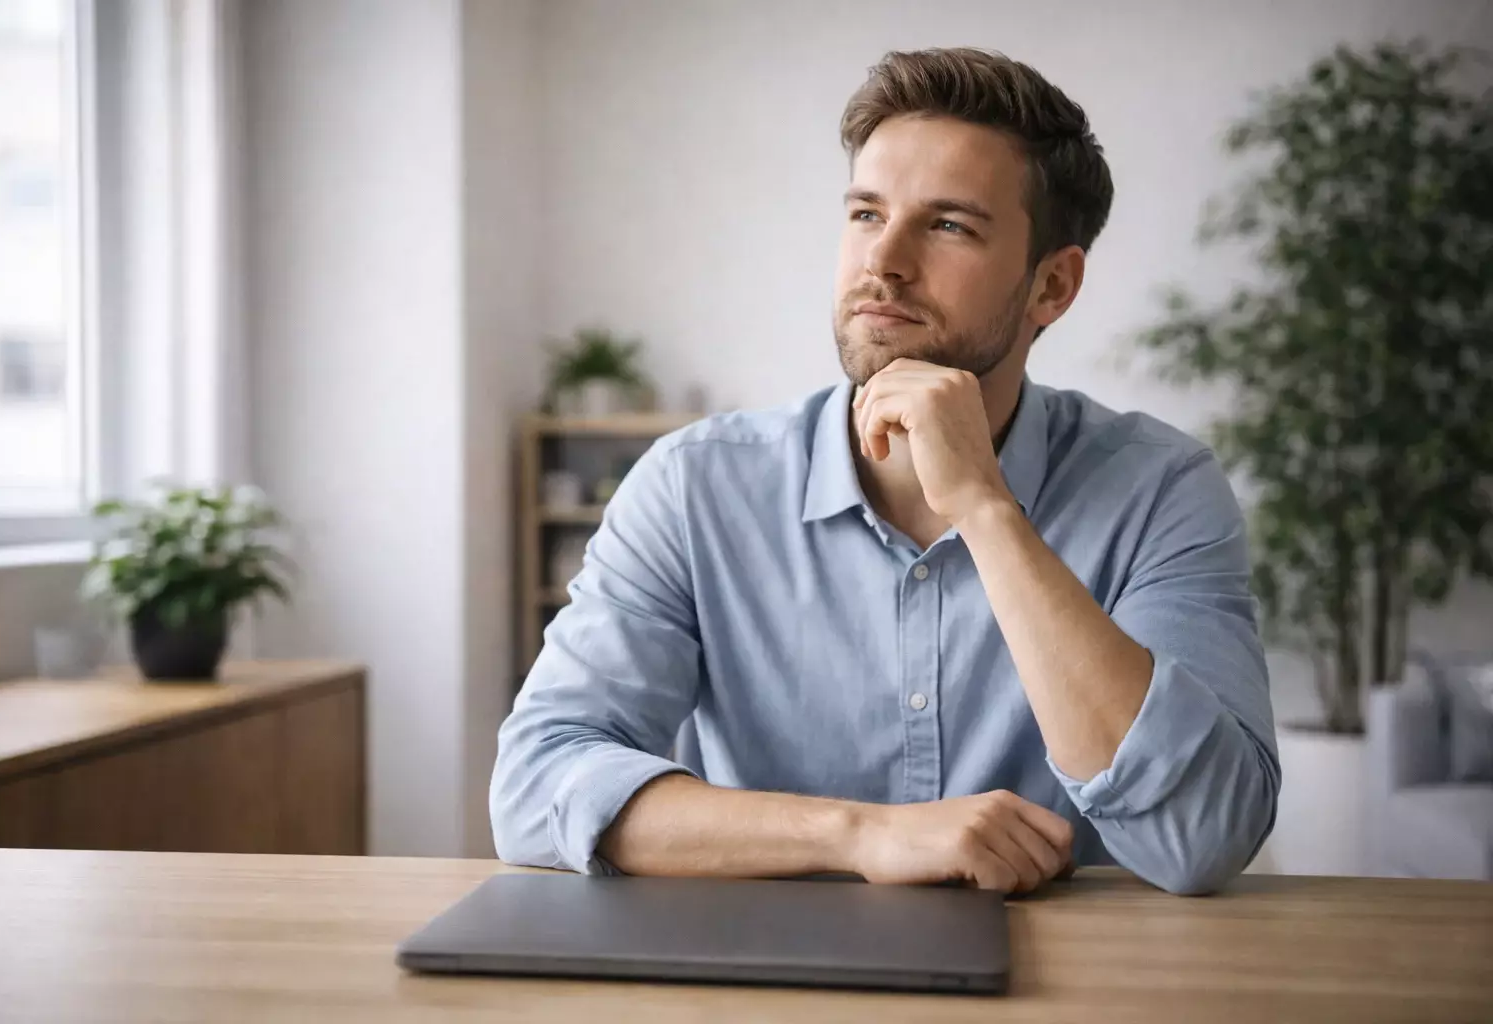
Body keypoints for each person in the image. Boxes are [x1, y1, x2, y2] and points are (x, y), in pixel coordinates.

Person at [490, 47, 1279, 896]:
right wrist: (860, 835)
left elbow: (1205, 834)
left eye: (948, 226)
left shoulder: (1160, 490)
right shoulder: (693, 488)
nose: (884, 262)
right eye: (867, 214)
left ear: (1051, 286)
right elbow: (538, 788)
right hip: (758, 971)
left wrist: (985, 507)